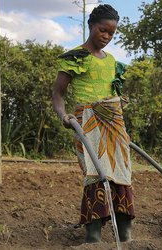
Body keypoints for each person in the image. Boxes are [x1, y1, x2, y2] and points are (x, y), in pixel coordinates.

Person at [52, 4, 134, 243]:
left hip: (113, 122)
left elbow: (113, 94)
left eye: (112, 33)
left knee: (121, 170)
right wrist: (63, 116)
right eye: (103, 30)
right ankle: (94, 235)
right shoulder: (75, 57)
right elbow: (58, 93)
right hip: (86, 123)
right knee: (95, 173)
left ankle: (125, 233)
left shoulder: (112, 62)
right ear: (90, 26)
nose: (107, 37)